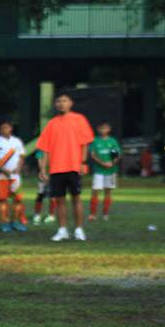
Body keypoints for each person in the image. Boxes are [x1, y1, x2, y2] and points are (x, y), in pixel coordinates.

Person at [37, 90, 94, 241]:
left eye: (64, 101)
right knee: (59, 200)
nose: (61, 104)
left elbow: (85, 143)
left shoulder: (79, 119)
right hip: (56, 167)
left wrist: (82, 162)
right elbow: (45, 148)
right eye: (58, 101)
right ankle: (62, 229)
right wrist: (43, 169)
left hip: (74, 165)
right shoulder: (52, 123)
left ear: (70, 103)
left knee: (76, 198)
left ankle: (79, 229)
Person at [0, 119, 26, 232]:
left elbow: (22, 156)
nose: (5, 130)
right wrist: (3, 170)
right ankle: (3, 223)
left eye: (7, 127)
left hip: (15, 176)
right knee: (2, 199)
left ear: (11, 128)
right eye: (3, 128)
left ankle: (14, 221)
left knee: (17, 199)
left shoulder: (17, 141)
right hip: (1, 176)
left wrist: (18, 168)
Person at [88, 122, 121, 221]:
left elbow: (117, 154)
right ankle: (93, 214)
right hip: (99, 170)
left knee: (108, 191)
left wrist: (112, 162)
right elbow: (93, 154)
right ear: (98, 129)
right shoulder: (94, 141)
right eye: (101, 128)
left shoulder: (113, 141)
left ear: (109, 129)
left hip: (111, 170)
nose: (103, 130)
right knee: (95, 191)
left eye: (105, 128)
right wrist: (102, 163)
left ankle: (105, 214)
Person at [31, 150, 57, 224]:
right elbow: (39, 159)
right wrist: (43, 172)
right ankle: (37, 214)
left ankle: (51, 215)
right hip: (43, 175)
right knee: (40, 194)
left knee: (53, 195)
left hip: (54, 174)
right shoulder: (41, 148)